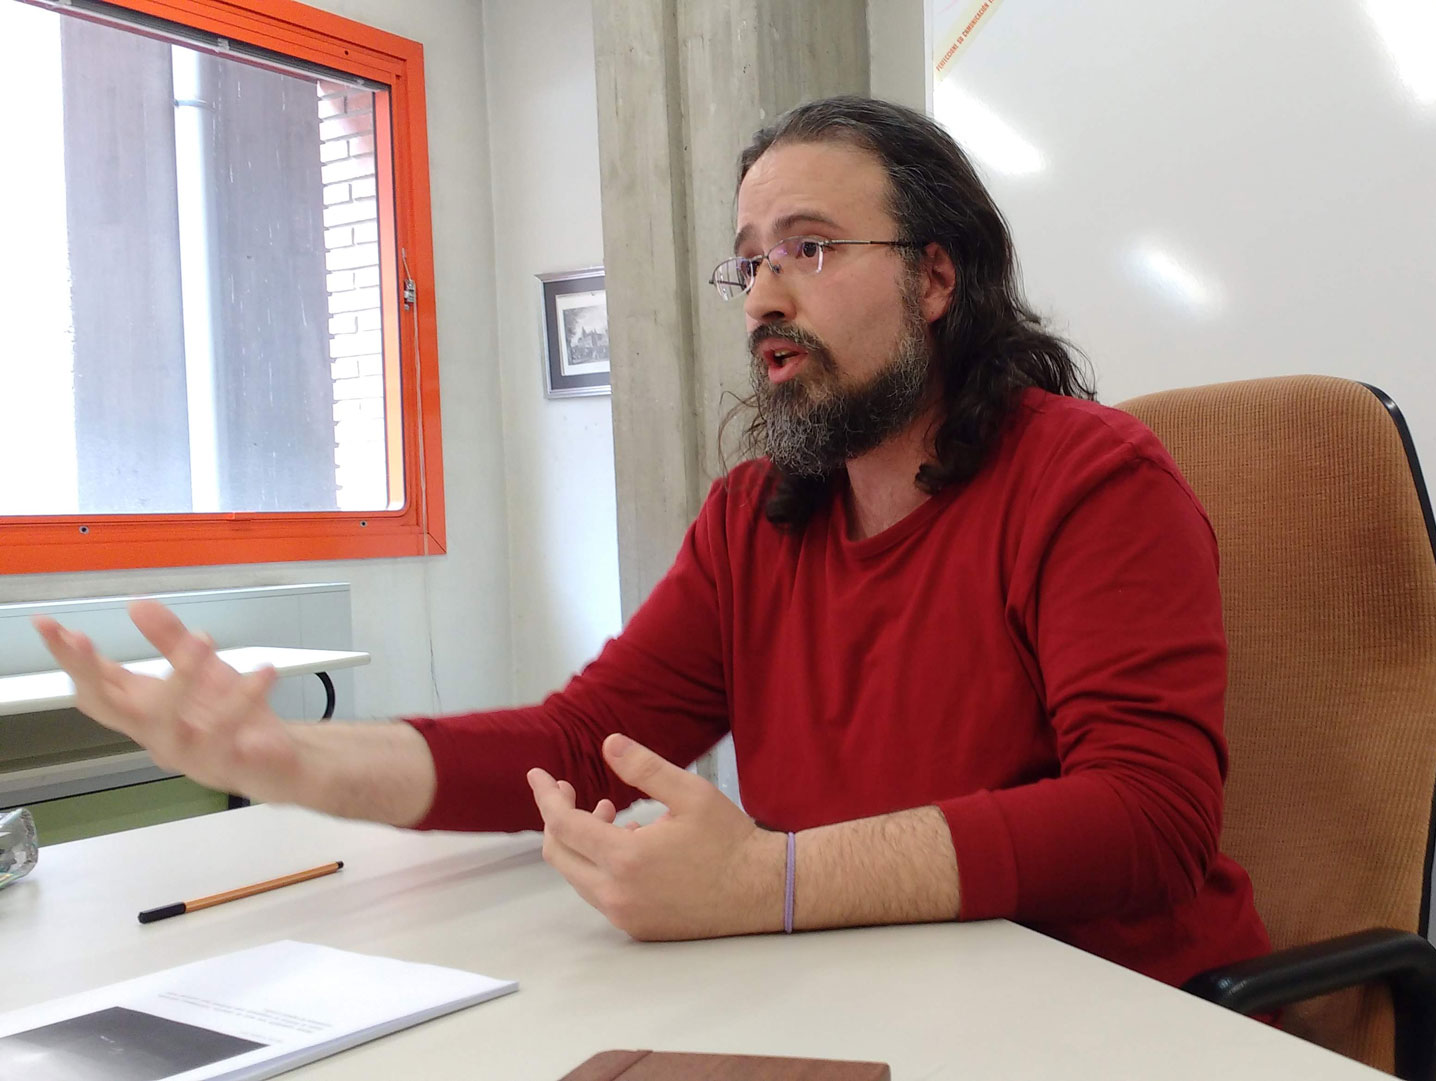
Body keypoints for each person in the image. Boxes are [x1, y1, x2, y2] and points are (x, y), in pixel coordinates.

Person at [34, 95, 1269, 987]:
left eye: (810, 248)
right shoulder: (754, 519)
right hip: (867, 992)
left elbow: (1149, 816)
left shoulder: (1092, 479)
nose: (766, 295)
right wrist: (295, 760)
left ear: (936, 278)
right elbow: (581, 746)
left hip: (1109, 1014)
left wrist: (770, 883)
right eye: (748, 265)